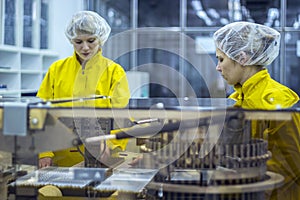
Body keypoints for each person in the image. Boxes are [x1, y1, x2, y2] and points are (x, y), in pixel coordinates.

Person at [213, 21, 300, 200]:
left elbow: (292, 163)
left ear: (242, 58)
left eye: (221, 59)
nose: (218, 67)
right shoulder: (235, 100)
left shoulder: (279, 98)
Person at [37, 10, 131, 168]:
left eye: (91, 40)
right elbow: (40, 114)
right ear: (71, 41)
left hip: (101, 158)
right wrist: (44, 153)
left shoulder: (114, 72)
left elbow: (121, 116)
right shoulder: (56, 70)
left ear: (100, 39)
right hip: (60, 159)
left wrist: (112, 147)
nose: (85, 47)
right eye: (78, 42)